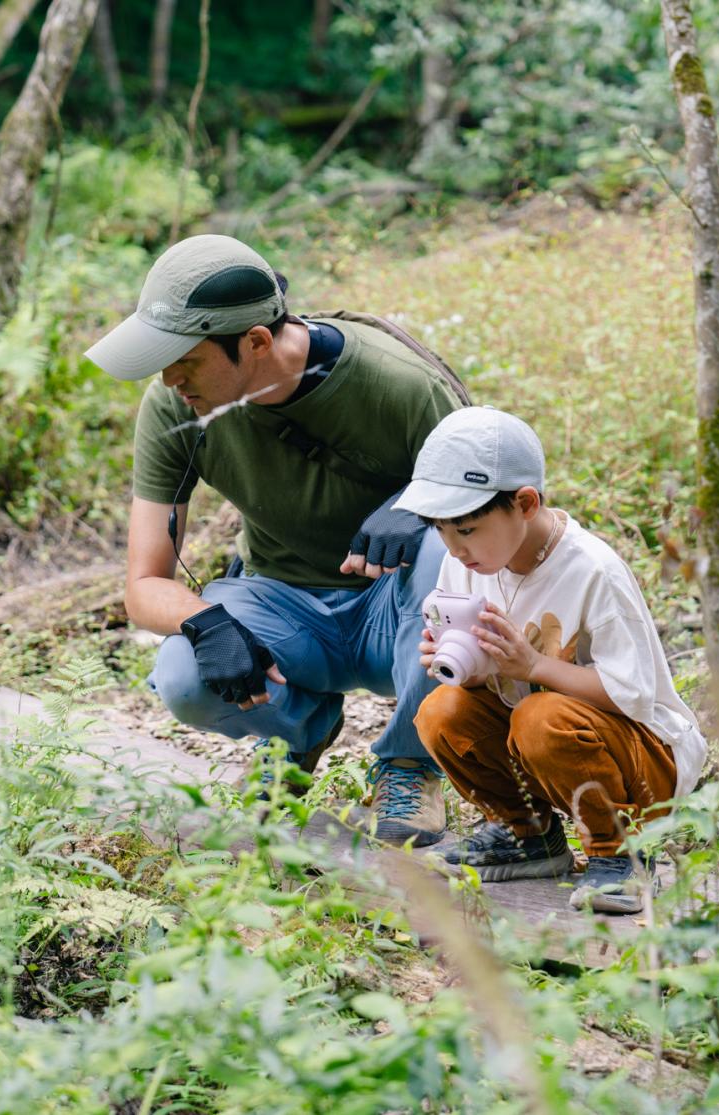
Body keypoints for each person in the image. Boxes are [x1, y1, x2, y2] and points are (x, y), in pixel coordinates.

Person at [84, 234, 466, 845]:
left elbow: (507, 515)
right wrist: (208, 624)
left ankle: (409, 764)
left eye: (185, 357)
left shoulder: (397, 385)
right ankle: (299, 729)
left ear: (256, 341)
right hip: (285, 609)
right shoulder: (174, 406)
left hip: (393, 613)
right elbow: (144, 583)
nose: (168, 377)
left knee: (453, 553)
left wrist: (425, 506)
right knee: (185, 677)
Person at [399, 407, 708, 913]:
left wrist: (534, 667)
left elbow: (633, 694)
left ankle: (622, 853)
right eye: (441, 531)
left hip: (645, 761)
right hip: (549, 749)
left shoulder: (592, 570)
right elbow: (490, 686)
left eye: (468, 529)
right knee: (441, 711)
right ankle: (531, 836)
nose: (454, 549)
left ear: (524, 503)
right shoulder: (471, 565)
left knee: (540, 715)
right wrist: (465, 664)